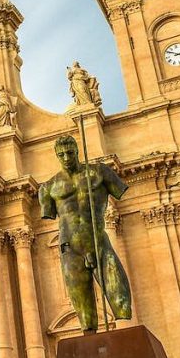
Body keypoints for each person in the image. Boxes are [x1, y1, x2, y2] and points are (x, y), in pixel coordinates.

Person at [39, 134, 131, 333]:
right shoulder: (48, 188)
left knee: (119, 296)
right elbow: (49, 213)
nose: (66, 157)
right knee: (83, 310)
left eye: (70, 152)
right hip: (69, 246)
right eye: (61, 154)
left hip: (97, 240)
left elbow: (119, 190)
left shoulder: (100, 173)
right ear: (56, 155)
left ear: (77, 151)